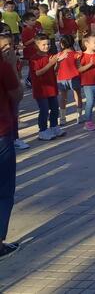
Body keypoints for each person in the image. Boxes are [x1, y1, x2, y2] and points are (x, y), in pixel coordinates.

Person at [0, 33, 23, 258]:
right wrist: (11, 67)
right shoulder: (3, 67)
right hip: (1, 134)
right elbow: (18, 95)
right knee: (4, 190)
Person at [30, 35, 61, 141]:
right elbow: (38, 73)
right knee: (44, 110)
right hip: (41, 89)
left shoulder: (50, 56)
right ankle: (42, 130)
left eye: (48, 44)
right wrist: (50, 63)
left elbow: (54, 70)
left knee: (55, 108)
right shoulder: (34, 59)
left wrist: (57, 63)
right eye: (43, 44)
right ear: (36, 45)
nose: (46, 46)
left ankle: (54, 126)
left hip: (52, 87)